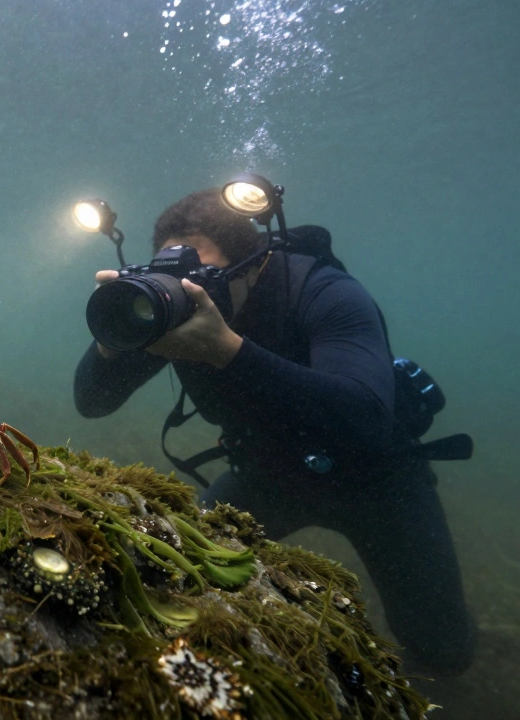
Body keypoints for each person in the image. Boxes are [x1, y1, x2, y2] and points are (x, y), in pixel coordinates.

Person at [73, 188, 475, 676]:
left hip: (378, 482)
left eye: (205, 277)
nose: (189, 290)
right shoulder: (176, 307)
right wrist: (113, 344)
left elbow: (366, 419)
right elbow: (92, 404)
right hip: (265, 473)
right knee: (173, 577)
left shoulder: (325, 292)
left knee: (443, 649)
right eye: (173, 276)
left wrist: (228, 351)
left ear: (254, 267)